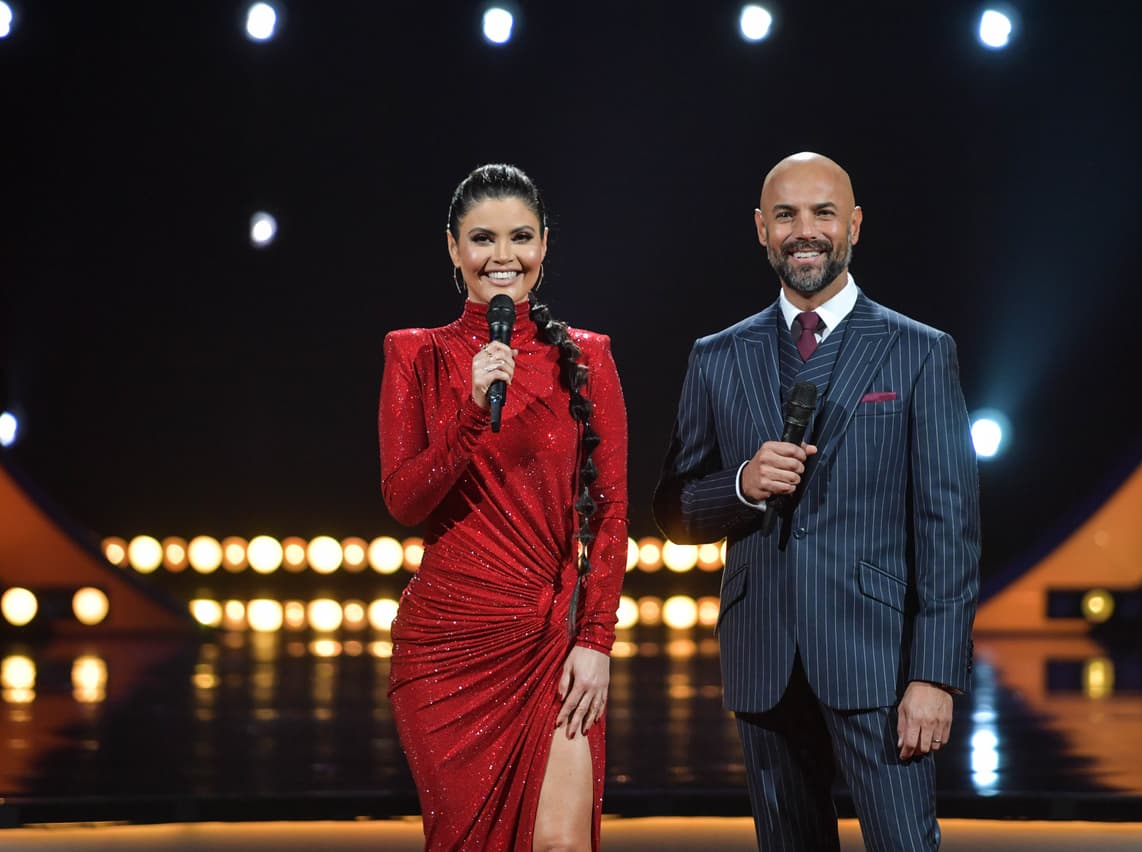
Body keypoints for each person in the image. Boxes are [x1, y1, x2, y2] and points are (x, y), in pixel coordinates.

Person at [653, 152, 980, 852]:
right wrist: (741, 485)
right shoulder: (717, 356)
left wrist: (935, 675)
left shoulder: (918, 351)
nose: (806, 230)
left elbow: (950, 528)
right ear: (761, 230)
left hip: (882, 668)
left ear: (854, 225)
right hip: (763, 660)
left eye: (823, 212)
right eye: (787, 215)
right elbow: (675, 509)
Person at [379, 163, 628, 851]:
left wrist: (596, 639)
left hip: (553, 638)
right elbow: (404, 500)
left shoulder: (589, 357)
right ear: (454, 248)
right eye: (482, 238)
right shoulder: (415, 355)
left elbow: (610, 513)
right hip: (445, 646)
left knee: (561, 844)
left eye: (521, 237)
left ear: (545, 244)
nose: (503, 256)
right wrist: (465, 413)